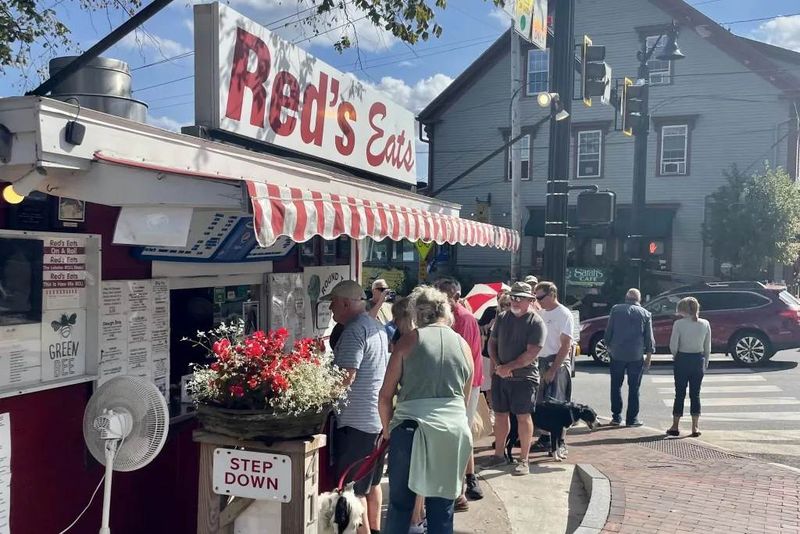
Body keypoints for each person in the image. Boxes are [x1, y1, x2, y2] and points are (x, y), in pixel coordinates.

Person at [379, 286, 473, 534]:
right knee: (442, 508)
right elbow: (465, 396)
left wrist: (388, 431)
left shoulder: (409, 341)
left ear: (417, 314)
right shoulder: (463, 345)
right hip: (453, 431)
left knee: (400, 505)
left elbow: (385, 396)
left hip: (411, 428)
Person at [323, 280, 390, 534]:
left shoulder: (352, 330)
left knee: (352, 490)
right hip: (376, 420)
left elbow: (346, 376)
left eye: (332, 302)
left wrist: (323, 397)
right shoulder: (376, 326)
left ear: (345, 303)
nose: (330, 308)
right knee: (372, 485)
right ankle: (375, 529)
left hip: (356, 422)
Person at [487, 281, 546, 476]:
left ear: (530, 300)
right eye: (513, 297)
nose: (515, 301)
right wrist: (497, 366)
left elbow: (532, 353)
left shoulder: (536, 322)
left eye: (520, 298)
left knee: (523, 417)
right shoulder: (502, 318)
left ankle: (524, 460)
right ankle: (498, 456)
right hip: (501, 376)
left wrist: (508, 367)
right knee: (501, 415)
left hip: (524, 378)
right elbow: (491, 344)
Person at [434, 278, 484, 507]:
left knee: (458, 435)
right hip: (458, 384)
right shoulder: (450, 318)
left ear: (453, 297)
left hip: (464, 384)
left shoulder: (463, 319)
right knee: (460, 434)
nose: (438, 300)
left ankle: (459, 492)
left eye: (442, 296)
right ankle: (467, 482)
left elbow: (464, 359)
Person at [531, 281, 575, 454]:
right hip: (541, 360)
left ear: (551, 295)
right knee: (542, 402)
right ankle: (545, 438)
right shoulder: (541, 312)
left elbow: (566, 345)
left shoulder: (564, 314)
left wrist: (553, 369)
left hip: (555, 361)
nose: (538, 300)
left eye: (540, 297)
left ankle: (560, 441)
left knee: (558, 402)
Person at [604, 288, 654, 427]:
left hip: (617, 354)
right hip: (636, 355)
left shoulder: (616, 310)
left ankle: (616, 417)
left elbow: (609, 331)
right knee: (634, 388)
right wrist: (648, 356)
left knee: (616, 386)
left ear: (626, 297)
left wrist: (608, 345)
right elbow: (649, 338)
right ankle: (632, 419)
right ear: (639, 299)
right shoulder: (646, 313)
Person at [667, 297, 711, 438]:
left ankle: (675, 425)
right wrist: (706, 362)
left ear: (683, 309)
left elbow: (673, 345)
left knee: (679, 393)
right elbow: (707, 347)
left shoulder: (678, 324)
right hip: (698, 359)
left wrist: (675, 355)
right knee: (695, 394)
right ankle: (695, 426)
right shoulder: (705, 324)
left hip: (682, 359)